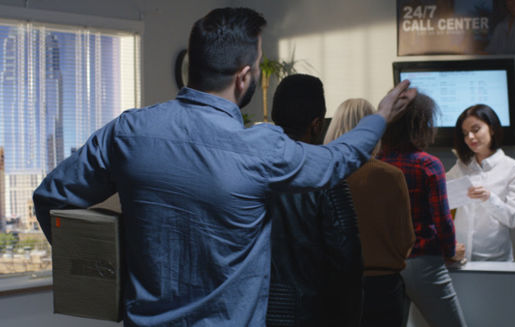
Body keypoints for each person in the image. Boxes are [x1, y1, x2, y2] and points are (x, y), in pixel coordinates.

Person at [31, 7, 417, 327]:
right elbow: (336, 160)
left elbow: (52, 197)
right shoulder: (261, 149)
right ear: (244, 76)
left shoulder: (129, 132)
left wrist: (111, 272)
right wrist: (380, 116)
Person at [266, 74, 363, 327]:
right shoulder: (326, 175)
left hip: (251, 309)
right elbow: (346, 259)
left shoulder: (248, 167)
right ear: (316, 124)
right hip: (311, 312)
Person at [377, 93, 467, 327]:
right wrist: (450, 250)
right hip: (421, 260)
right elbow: (442, 219)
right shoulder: (428, 164)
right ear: (421, 125)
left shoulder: (375, 162)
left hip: (384, 262)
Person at [324, 98, 415, 327]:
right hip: (384, 288)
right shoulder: (391, 176)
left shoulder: (323, 174)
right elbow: (405, 240)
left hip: (333, 287)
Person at [446, 104, 515, 261]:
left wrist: (489, 198)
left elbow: (513, 219)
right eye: (465, 133)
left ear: (492, 128)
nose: (470, 137)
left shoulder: (513, 168)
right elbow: (440, 194)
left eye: (475, 130)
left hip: (495, 258)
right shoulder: (461, 166)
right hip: (460, 257)